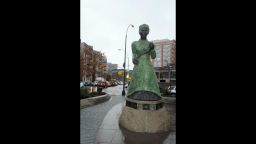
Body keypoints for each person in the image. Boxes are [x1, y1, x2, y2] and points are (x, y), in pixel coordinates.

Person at [126, 24, 161, 100]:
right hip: (138, 66)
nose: (144, 32)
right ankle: (135, 94)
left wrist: (152, 49)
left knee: (149, 79)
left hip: (147, 65)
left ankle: (151, 95)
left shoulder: (150, 44)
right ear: (139, 31)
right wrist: (133, 60)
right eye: (142, 30)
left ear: (148, 32)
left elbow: (153, 56)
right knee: (137, 81)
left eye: (146, 30)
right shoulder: (134, 44)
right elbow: (134, 56)